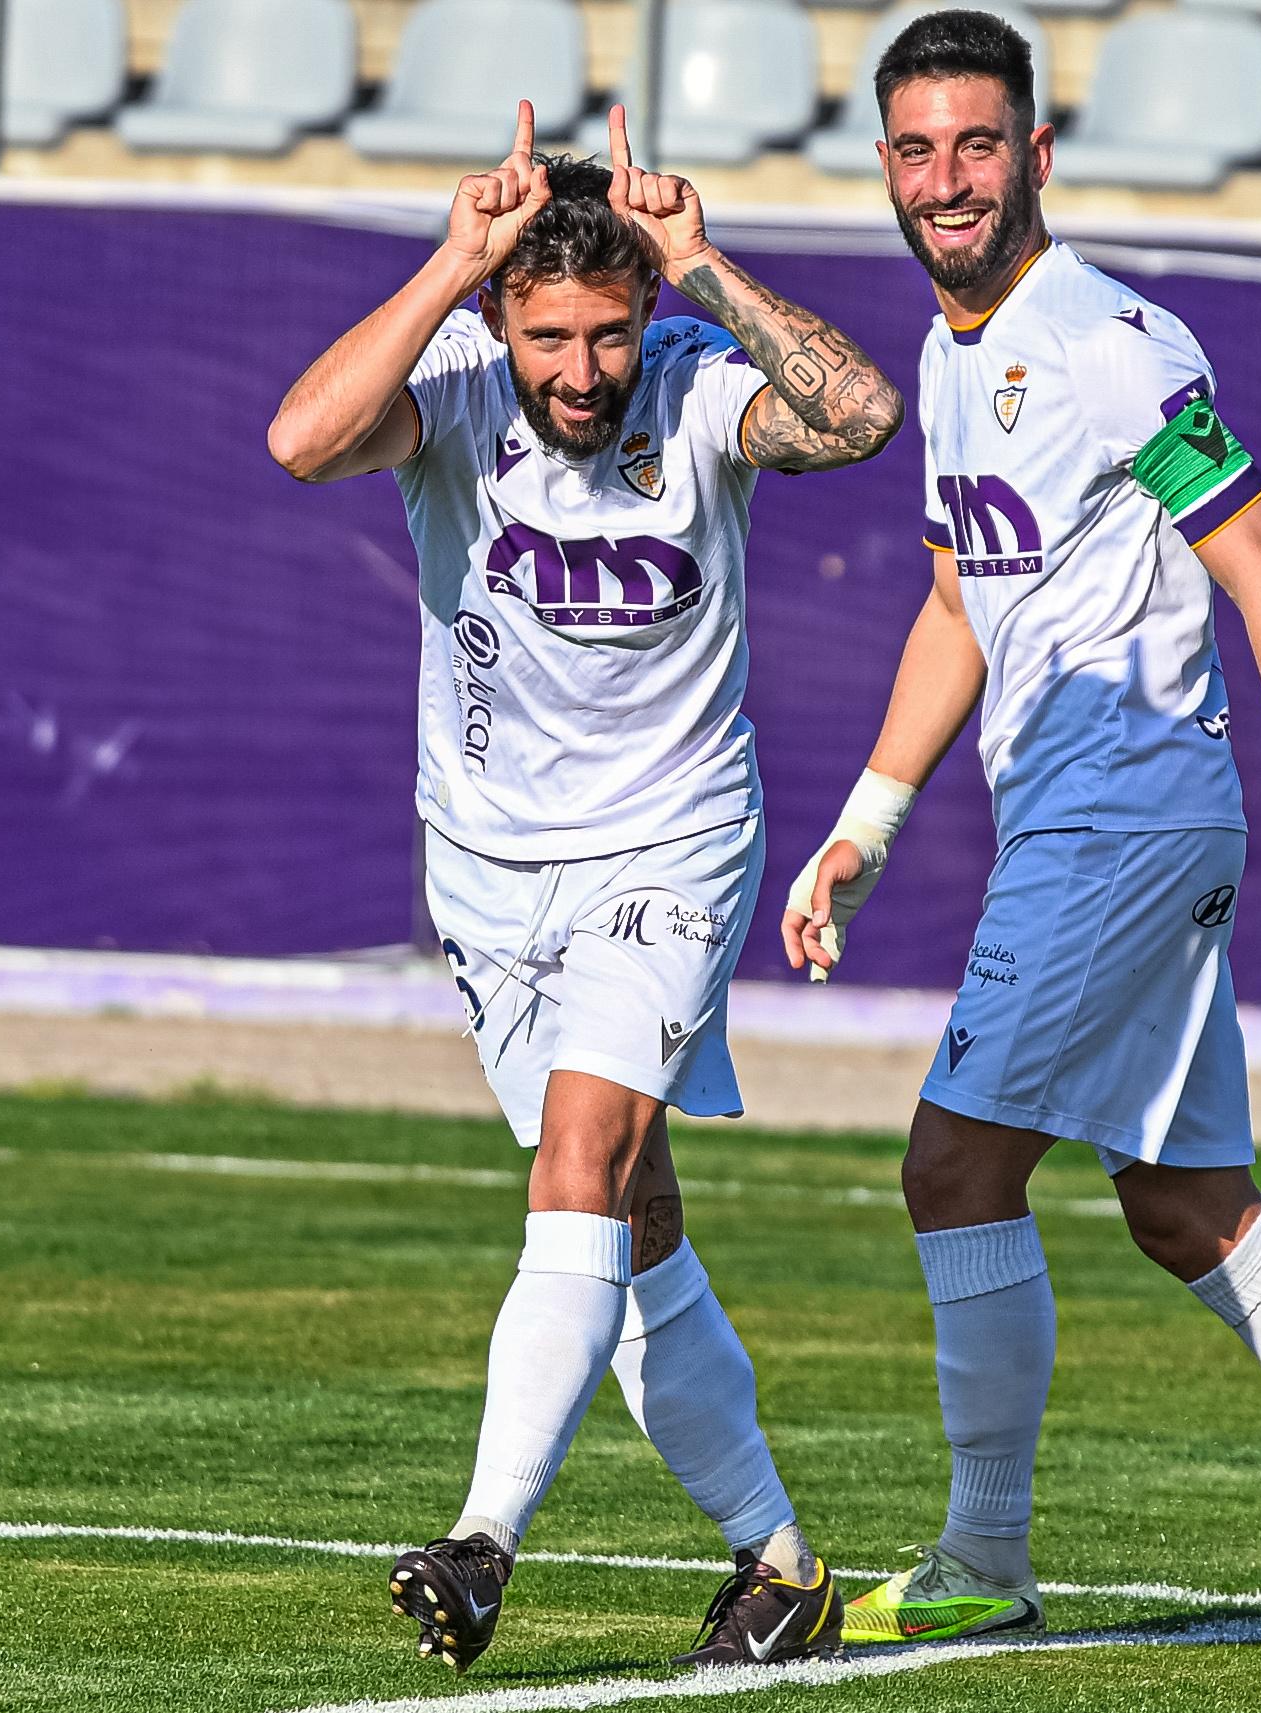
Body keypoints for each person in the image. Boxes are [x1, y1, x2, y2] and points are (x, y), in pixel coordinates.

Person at [780, 12, 1261, 1664]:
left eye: (976, 144)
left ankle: (983, 1552)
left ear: (1036, 156)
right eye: (914, 149)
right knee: (1185, 1199)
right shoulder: (945, 354)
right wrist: (866, 823)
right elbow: (955, 604)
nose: (945, 179)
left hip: (1120, 817)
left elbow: (1257, 564)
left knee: (952, 1165)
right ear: (886, 170)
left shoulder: (1111, 342)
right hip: (1085, 819)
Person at [269, 103, 903, 1673]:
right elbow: (299, 441)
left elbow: (861, 416)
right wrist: (450, 264)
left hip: (670, 845)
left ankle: (482, 1541)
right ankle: (781, 1566)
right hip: (488, 870)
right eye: (547, 335)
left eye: (607, 333)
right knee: (630, 1226)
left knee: (577, 1162)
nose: (577, 370)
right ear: (505, 316)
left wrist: (704, 265)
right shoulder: (457, 379)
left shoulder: (694, 385)